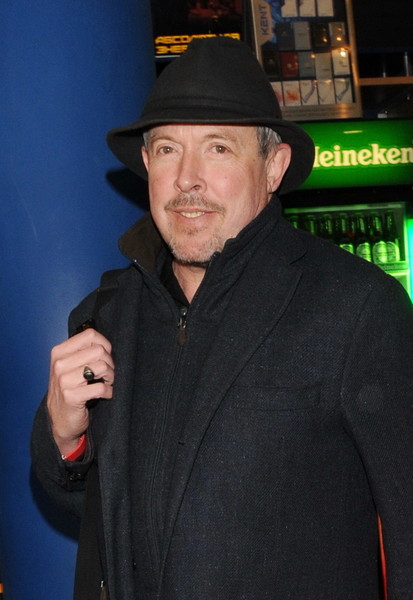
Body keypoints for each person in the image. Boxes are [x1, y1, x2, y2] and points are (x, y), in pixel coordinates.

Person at [31, 37, 413, 600]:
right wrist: (64, 437)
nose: (188, 178)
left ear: (273, 166)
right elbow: (99, 517)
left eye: (218, 148)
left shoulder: (356, 307)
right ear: (147, 164)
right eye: (168, 149)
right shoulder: (105, 317)